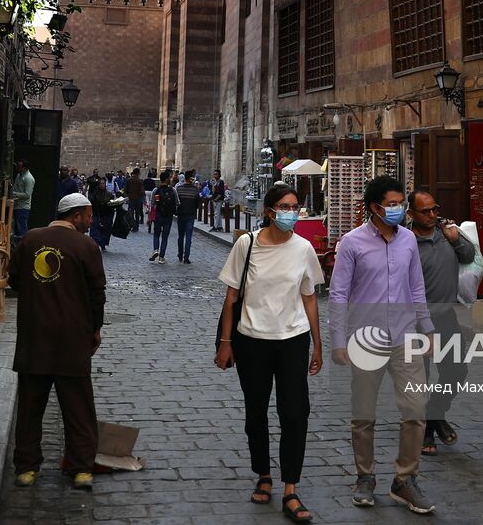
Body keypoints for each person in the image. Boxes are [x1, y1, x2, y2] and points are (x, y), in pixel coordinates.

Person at [215, 185, 325, 523]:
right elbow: (232, 297)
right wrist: (225, 342)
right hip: (251, 340)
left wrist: (318, 343)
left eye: (294, 206)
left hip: (293, 339)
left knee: (295, 413)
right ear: (268, 211)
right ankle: (263, 474)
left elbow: (309, 297)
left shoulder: (304, 248)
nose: (290, 212)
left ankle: (291, 488)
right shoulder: (246, 244)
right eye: (283, 206)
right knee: (256, 412)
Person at [328, 175, 435, 515]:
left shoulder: (408, 240)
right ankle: (365, 476)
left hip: (405, 336)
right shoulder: (352, 243)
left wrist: (428, 329)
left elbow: (416, 287)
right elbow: (338, 293)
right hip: (365, 340)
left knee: (416, 409)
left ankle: (405, 479)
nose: (399, 209)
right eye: (392, 204)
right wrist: (338, 340)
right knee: (364, 414)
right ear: (375, 208)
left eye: (401, 204)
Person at [10, 193, 106, 490]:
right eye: (88, 216)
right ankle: (81, 468)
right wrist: (95, 329)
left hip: (34, 335)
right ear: (75, 216)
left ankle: (26, 467)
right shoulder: (86, 246)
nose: (90, 221)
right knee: (78, 408)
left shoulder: (30, 239)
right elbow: (97, 294)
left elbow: (14, 279)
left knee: (30, 406)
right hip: (72, 339)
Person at [407, 189, 474, 457]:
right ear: (411, 213)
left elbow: (468, 256)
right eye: (425, 211)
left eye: (435, 209)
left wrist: (455, 240)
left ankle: (434, 414)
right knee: (419, 380)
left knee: (456, 372)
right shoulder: (404, 242)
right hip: (415, 321)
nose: (433, 215)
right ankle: (426, 431)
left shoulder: (447, 232)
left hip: (446, 316)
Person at [149, 170, 178, 264]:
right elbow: (178, 202)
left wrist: (150, 217)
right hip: (168, 216)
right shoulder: (173, 190)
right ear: (166, 179)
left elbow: (152, 204)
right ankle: (161, 257)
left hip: (158, 215)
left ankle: (156, 249)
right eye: (169, 178)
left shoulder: (156, 190)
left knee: (156, 234)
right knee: (165, 237)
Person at [174, 169, 201, 264]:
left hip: (181, 214)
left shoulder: (179, 188)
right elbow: (198, 203)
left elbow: (176, 202)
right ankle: (186, 257)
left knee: (181, 236)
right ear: (190, 178)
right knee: (188, 236)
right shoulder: (195, 189)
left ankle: (180, 254)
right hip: (190, 214)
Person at [88, 178, 116, 249]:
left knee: (105, 231)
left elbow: (112, 204)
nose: (102, 185)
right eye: (101, 183)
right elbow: (92, 203)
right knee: (95, 230)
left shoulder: (109, 194)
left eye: (103, 183)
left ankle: (103, 244)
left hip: (106, 215)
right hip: (97, 214)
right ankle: (95, 244)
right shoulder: (95, 194)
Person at [11, 160, 35, 239]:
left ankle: (25, 243)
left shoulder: (28, 178)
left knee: (22, 229)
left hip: (23, 207)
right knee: (16, 228)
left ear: (24, 168)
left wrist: (14, 194)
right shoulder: (19, 175)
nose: (17, 168)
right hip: (15, 205)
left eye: (19, 166)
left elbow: (27, 195)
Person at [126, 167, 147, 232]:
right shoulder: (140, 181)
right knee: (137, 213)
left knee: (131, 213)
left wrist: (127, 197)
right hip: (138, 199)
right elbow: (142, 191)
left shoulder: (129, 180)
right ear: (138, 173)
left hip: (131, 199)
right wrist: (144, 199)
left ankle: (132, 225)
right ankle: (136, 226)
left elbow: (126, 190)